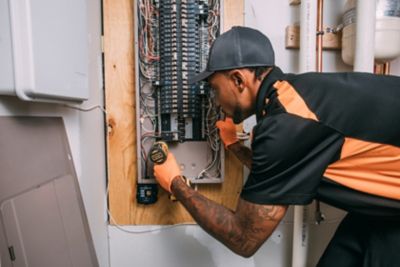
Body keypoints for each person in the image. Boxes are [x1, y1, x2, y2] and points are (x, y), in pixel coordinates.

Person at [153, 26, 400, 266]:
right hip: (382, 209)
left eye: (215, 90)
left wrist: (175, 183)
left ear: (238, 80)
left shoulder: (287, 124)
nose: (216, 101)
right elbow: (280, 172)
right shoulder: (292, 96)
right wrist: (234, 147)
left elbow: (244, 239)